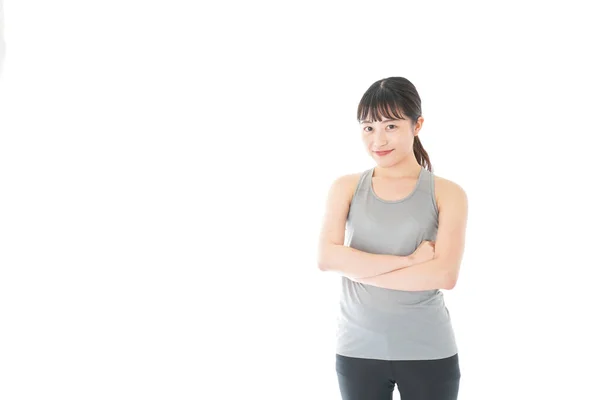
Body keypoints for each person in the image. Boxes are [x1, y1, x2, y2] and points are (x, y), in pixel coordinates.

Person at [317, 77, 468, 400]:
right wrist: (410, 262)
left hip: (429, 350)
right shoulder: (345, 187)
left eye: (391, 126)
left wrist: (357, 268)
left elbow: (444, 275)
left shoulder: (447, 193)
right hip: (357, 350)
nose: (378, 140)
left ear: (417, 125)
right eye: (368, 128)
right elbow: (327, 259)